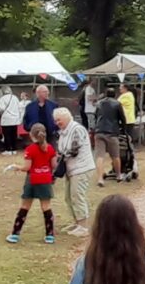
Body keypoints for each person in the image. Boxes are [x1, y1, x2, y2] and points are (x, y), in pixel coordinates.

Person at [7, 122, 58, 244]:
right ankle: (50, 235)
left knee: (25, 206)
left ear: (31, 135)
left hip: (32, 180)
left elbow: (26, 167)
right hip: (45, 179)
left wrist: (16, 167)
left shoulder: (30, 149)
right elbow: (54, 165)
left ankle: (15, 234)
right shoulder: (50, 148)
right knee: (46, 207)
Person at [53, 107, 97, 237]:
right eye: (55, 120)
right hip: (71, 169)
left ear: (67, 117)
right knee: (68, 197)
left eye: (59, 120)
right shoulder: (63, 131)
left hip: (81, 168)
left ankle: (83, 226)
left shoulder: (77, 129)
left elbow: (74, 150)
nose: (57, 123)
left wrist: (61, 157)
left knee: (77, 195)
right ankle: (77, 222)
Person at [94, 87, 125, 181]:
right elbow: (122, 118)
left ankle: (100, 178)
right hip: (112, 132)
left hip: (99, 131)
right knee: (115, 155)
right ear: (115, 95)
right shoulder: (117, 103)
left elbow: (96, 116)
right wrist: (123, 129)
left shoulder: (99, 103)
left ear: (105, 94)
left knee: (100, 156)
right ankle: (118, 175)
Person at [0, 86, 23, 152]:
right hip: (15, 119)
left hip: (6, 119)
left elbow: (1, 108)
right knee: (14, 135)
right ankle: (14, 149)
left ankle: (8, 150)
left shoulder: (2, 98)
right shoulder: (15, 97)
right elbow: (19, 107)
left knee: (7, 135)